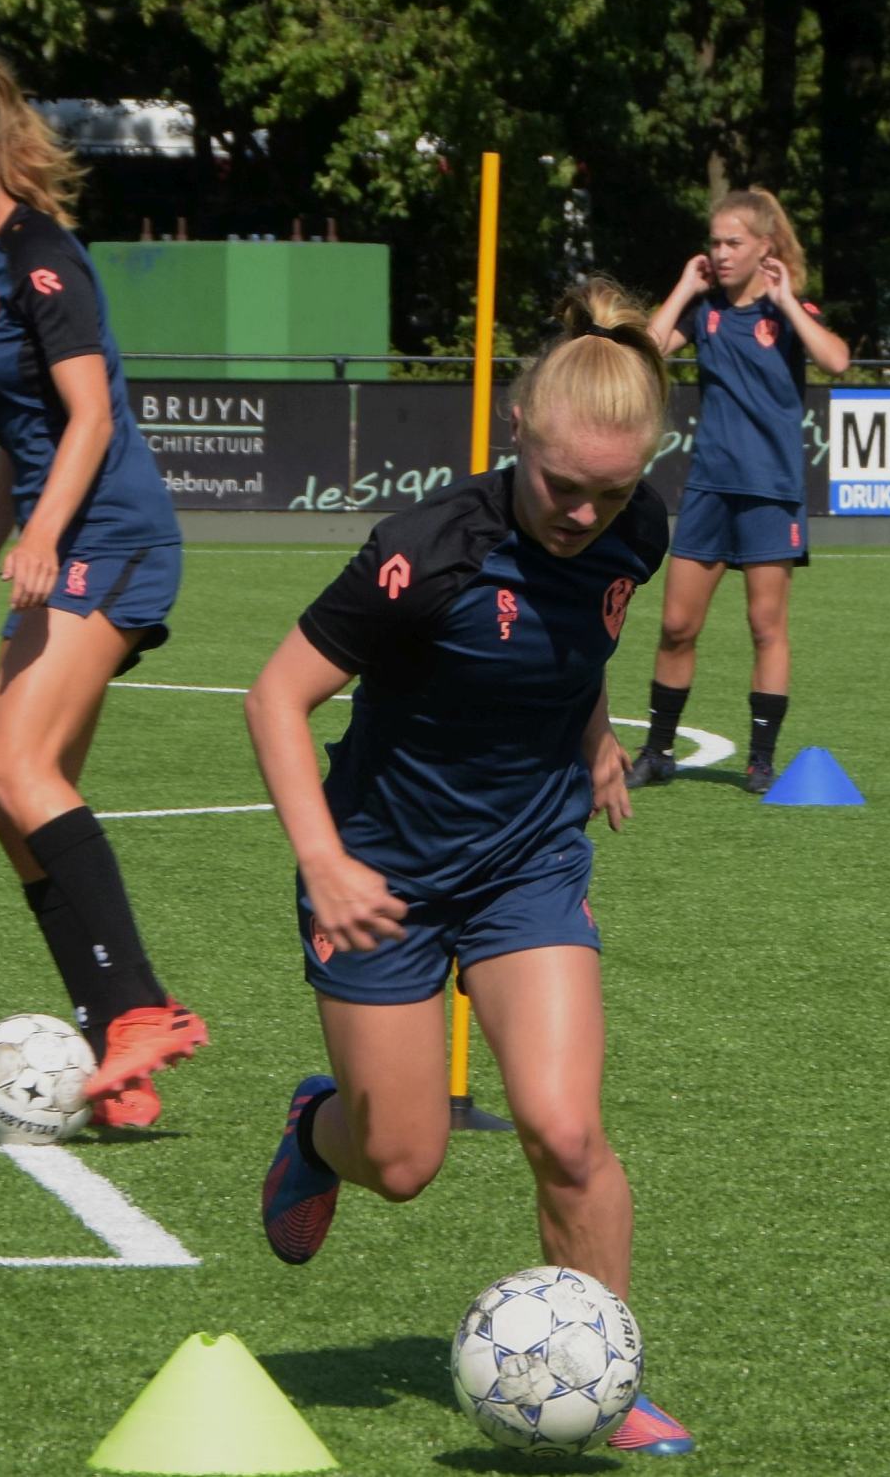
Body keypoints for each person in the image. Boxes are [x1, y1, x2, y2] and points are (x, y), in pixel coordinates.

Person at [246, 280, 695, 1455]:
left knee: (564, 1129)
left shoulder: (639, 526)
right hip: (379, 873)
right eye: (562, 488)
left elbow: (581, 634)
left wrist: (592, 734)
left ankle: (606, 1374)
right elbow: (277, 698)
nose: (585, 515)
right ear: (516, 438)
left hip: (526, 864)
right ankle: (315, 1129)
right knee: (401, 1162)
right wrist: (324, 861)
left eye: (611, 493)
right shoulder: (426, 553)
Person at [0, 35, 205, 1129]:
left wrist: (43, 536)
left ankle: (143, 1007)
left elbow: (90, 417)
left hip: (110, 536)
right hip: (64, 534)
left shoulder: (41, 259)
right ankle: (119, 1050)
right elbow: (24, 434)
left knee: (14, 765)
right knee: (14, 804)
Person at [626, 186, 851, 794]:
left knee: (765, 625)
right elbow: (645, 350)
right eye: (715, 243)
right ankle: (658, 752)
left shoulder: (787, 313)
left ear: (764, 247)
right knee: (676, 624)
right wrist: (683, 287)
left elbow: (836, 361)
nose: (721, 254)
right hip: (709, 490)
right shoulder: (705, 314)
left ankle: (759, 761)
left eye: (734, 243)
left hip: (771, 494)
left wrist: (786, 300)